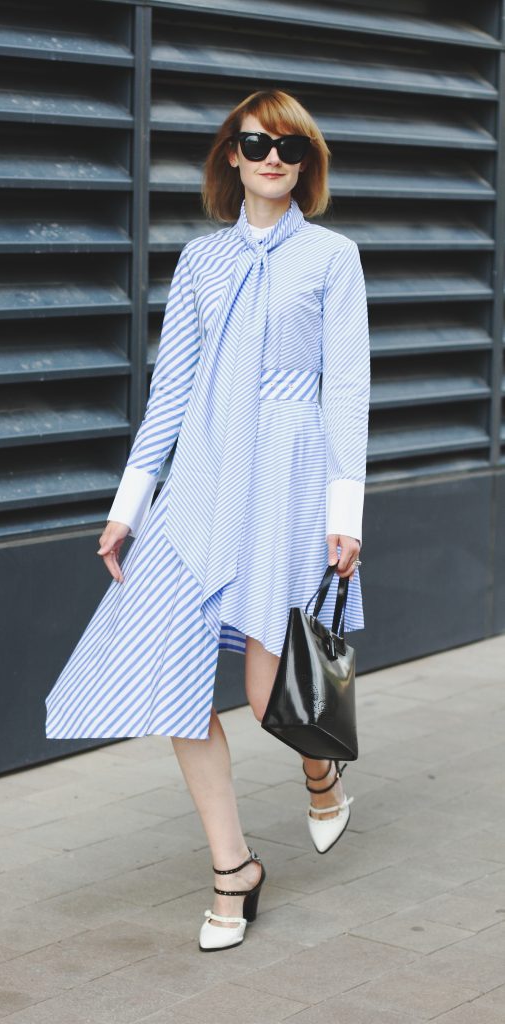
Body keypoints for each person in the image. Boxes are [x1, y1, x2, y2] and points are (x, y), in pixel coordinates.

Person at [45, 88, 370, 952]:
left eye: (289, 147)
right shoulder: (199, 260)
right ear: (231, 154)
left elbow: (347, 391)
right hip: (202, 483)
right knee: (171, 680)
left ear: (307, 164)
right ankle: (234, 870)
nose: (272, 158)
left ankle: (318, 760)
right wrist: (126, 508)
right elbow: (171, 393)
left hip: (290, 481)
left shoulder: (333, 258)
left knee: (272, 696)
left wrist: (345, 514)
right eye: (256, 142)